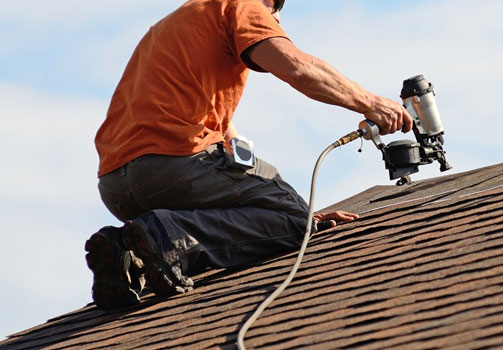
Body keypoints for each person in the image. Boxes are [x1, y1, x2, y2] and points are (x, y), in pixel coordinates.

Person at [85, 0, 413, 310]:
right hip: (173, 165)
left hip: (116, 186)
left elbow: (225, 142)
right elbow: (297, 68)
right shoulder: (242, 6)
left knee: (283, 209)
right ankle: (166, 235)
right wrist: (372, 104)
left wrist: (291, 212)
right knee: (294, 220)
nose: (277, 19)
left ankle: (129, 256)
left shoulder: (174, 26)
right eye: (276, 7)